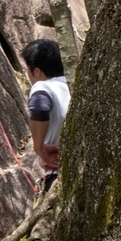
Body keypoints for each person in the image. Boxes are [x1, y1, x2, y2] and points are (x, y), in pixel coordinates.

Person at [22, 38, 70, 192]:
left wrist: (39, 147)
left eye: (28, 69)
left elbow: (40, 108)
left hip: (59, 171)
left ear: (37, 71)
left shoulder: (43, 86)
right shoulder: (73, 85)